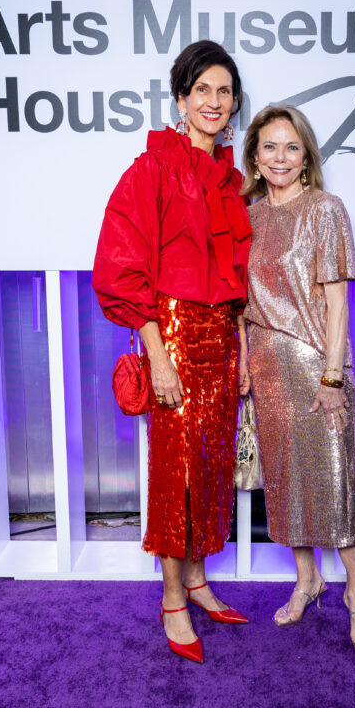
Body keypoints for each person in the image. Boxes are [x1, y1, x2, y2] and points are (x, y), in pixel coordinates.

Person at [93, 41, 251, 664]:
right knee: (176, 471)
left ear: (234, 103)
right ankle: (171, 599)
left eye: (224, 91)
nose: (214, 101)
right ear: (181, 99)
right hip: (177, 336)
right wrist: (159, 355)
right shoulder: (151, 171)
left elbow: (234, 276)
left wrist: (237, 343)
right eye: (201, 90)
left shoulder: (232, 179)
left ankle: (199, 579)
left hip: (222, 338)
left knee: (211, 464)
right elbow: (123, 269)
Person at [242, 105, 355, 655]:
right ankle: (307, 580)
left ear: (306, 157)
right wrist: (242, 361)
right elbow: (239, 303)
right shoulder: (246, 217)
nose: (279, 157)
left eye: (291, 147)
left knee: (337, 486)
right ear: (254, 154)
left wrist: (332, 375)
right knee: (288, 483)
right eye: (269, 146)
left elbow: (339, 303)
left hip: (316, 366)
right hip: (267, 369)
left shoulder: (326, 209)